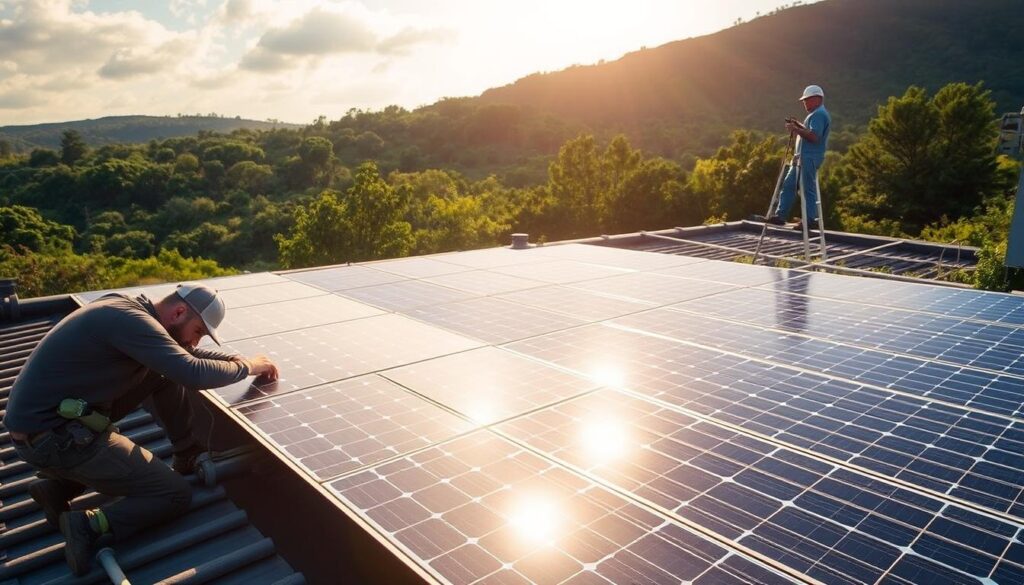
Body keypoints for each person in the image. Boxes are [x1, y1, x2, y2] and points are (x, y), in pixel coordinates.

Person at [4, 282, 279, 575]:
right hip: (54, 438)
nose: (197, 342)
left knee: (163, 374)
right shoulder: (132, 322)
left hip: (46, 428)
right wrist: (247, 367)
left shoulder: (129, 309)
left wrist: (235, 361)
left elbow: (184, 356)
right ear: (179, 311)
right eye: (198, 331)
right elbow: (192, 371)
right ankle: (86, 525)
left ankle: (57, 487)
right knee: (174, 494)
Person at [765, 84, 831, 229]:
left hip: (809, 158)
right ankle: (780, 216)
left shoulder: (818, 114)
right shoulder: (817, 114)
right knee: (789, 185)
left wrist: (795, 129)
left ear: (817, 99)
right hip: (801, 158)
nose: (804, 103)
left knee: (807, 189)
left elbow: (814, 136)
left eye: (807, 100)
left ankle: (810, 220)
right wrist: (798, 125)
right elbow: (810, 131)